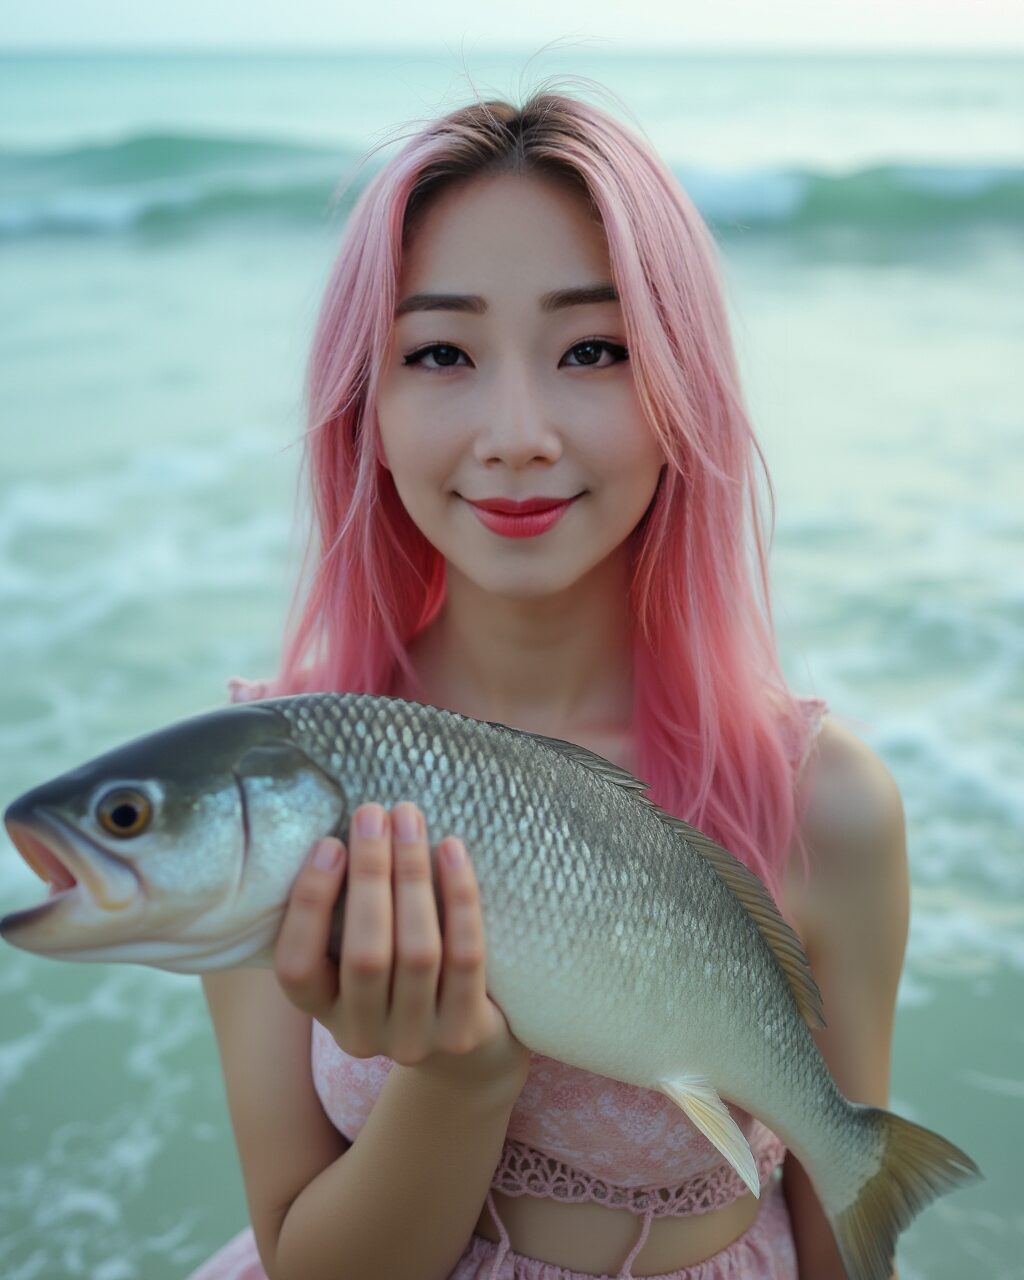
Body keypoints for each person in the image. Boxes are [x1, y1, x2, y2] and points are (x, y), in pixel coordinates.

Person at [187, 77, 908, 1280]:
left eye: (592, 348)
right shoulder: (273, 785)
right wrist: (458, 1072)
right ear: (366, 403)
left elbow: (853, 1217)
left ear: (685, 390)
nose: (516, 428)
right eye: (439, 351)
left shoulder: (822, 802)